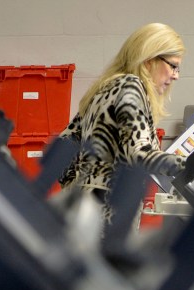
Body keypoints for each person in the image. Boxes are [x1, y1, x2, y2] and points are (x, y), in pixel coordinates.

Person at [58, 23, 186, 222]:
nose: (176, 75)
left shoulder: (106, 87)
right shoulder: (132, 87)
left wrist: (81, 183)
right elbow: (138, 154)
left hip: (80, 208)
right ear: (149, 60)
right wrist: (186, 165)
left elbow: (65, 144)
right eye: (173, 66)